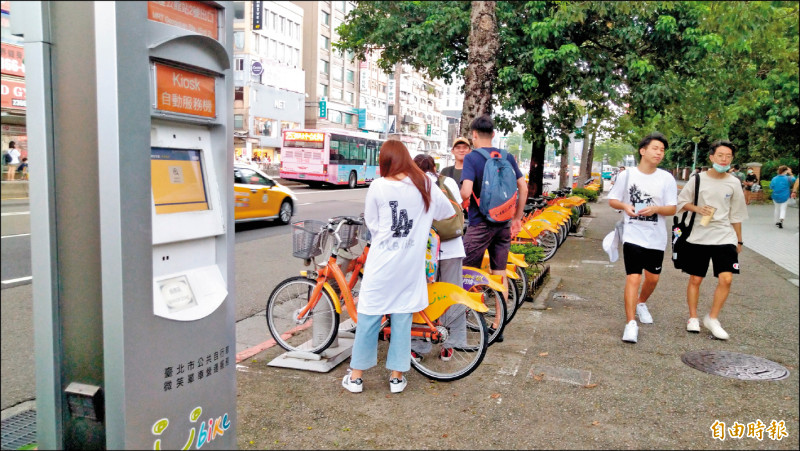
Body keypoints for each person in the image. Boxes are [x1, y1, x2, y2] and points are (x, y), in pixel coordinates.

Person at [342, 140, 455, 394]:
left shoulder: (379, 186)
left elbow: (373, 225)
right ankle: (396, 378)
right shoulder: (425, 184)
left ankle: (357, 377)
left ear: (384, 161)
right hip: (409, 267)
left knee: (369, 317)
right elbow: (448, 212)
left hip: (382, 265)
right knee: (402, 319)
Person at [459, 115, 528, 342]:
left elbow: (466, 192)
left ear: (474, 135)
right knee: (499, 273)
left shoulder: (472, 158)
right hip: (503, 224)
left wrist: (455, 201)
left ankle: (466, 319)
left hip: (480, 225)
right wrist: (517, 218)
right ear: (494, 134)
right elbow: (523, 187)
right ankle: (499, 325)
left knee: (466, 271)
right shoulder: (506, 156)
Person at [607, 132, 677, 344]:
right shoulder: (627, 175)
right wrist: (625, 206)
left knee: (653, 278)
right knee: (633, 277)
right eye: (655, 148)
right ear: (643, 150)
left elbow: (672, 208)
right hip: (632, 234)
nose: (659, 153)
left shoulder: (666, 178)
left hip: (656, 237)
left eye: (662, 150)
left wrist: (656, 208)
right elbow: (613, 199)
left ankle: (641, 302)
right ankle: (630, 324)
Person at [676, 140, 747, 340]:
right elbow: (681, 202)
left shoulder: (734, 182)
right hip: (699, 235)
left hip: (724, 236)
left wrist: (739, 241)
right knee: (696, 279)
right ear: (711, 157)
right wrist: (697, 208)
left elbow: (737, 214)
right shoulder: (697, 179)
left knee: (727, 278)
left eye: (729, 156)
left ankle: (713, 318)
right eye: (721, 155)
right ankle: (693, 317)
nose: (724, 159)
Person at [410, 154, 467, 362]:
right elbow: (459, 207)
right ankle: (453, 344)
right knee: (454, 295)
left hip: (426, 252)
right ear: (435, 167)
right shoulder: (447, 181)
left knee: (423, 297)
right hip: (452, 246)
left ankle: (418, 346)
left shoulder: (414, 184)